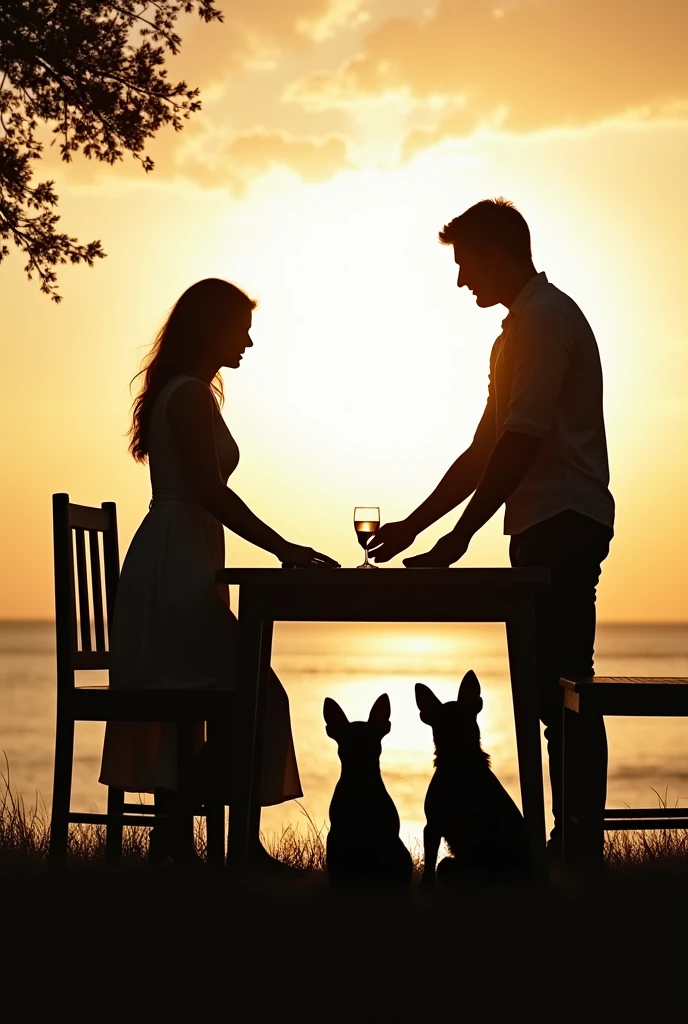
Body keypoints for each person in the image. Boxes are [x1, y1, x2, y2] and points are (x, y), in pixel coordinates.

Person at [369, 198, 614, 866]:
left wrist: (458, 540)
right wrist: (413, 529)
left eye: (465, 263)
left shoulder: (543, 322)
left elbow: (522, 443)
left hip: (565, 518)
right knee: (547, 692)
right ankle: (567, 843)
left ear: (499, 253)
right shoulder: (511, 335)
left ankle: (578, 845)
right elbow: (484, 448)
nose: (459, 281)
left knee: (565, 686)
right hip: (537, 522)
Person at [99, 278, 338, 864]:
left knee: (251, 696)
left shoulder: (189, 393)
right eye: (242, 328)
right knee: (259, 696)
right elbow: (210, 491)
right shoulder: (188, 397)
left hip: (182, 564)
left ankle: (187, 830)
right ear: (212, 328)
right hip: (175, 573)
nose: (249, 341)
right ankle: (212, 836)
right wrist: (283, 546)